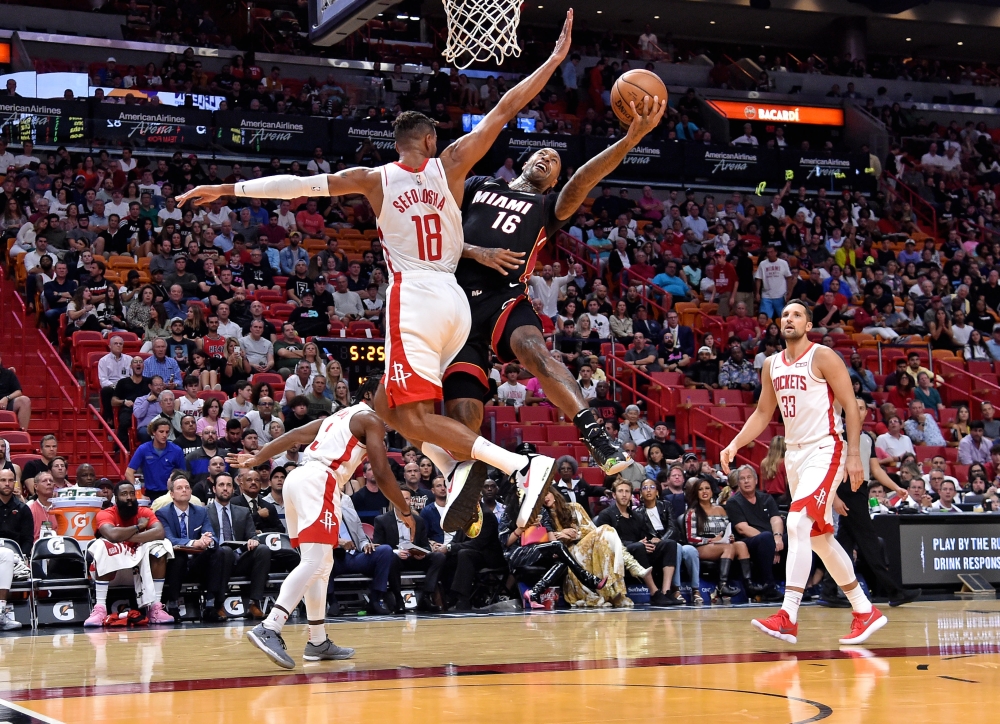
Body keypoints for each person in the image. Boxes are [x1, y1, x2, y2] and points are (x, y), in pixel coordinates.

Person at [179, 13, 579, 540]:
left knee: (411, 419)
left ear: (399, 143)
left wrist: (231, 190)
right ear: (432, 142)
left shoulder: (373, 179)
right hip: (456, 303)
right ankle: (456, 472)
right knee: (387, 409)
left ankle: (517, 467)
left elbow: (295, 185)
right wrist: (551, 61)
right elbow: (505, 109)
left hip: (414, 295)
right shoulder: (452, 164)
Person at [444, 93, 667, 489]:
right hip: (454, 305)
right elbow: (434, 232)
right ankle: (467, 482)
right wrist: (477, 251)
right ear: (526, 162)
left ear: (553, 181)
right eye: (542, 154)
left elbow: (584, 178)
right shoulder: (479, 185)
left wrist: (630, 140)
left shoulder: (547, 207)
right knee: (464, 411)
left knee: (536, 350)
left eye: (556, 162)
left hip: (505, 298)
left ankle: (595, 435)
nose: (548, 159)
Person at [721, 299, 887, 646]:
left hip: (826, 448)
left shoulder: (823, 356)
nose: (789, 319)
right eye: (784, 315)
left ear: (808, 324)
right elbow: (763, 413)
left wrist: (854, 455)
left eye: (796, 315)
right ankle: (864, 610)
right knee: (818, 539)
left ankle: (788, 615)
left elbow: (852, 410)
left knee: (796, 523)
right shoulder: (771, 365)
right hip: (794, 457)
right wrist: (734, 444)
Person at [226, 376, 414, 669]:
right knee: (315, 562)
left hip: (297, 479)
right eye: (388, 396)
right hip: (319, 480)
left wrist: (257, 458)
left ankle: (317, 641)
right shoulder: (370, 419)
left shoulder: (340, 416)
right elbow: (381, 470)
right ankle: (271, 626)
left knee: (321, 563)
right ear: (368, 395)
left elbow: (296, 435)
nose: (392, 404)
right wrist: (404, 510)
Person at [819, 397, 921, 607]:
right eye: (854, 408)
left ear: (866, 413)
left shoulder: (867, 439)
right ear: (846, 412)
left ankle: (828, 591)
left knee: (845, 545)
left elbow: (875, 470)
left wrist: (896, 487)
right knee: (870, 544)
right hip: (847, 491)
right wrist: (835, 497)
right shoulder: (840, 437)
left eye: (862, 408)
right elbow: (830, 471)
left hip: (860, 491)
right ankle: (893, 591)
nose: (859, 411)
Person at [83, 480, 175, 626]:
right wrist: (138, 527)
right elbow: (112, 535)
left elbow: (160, 532)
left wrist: (126, 536)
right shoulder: (105, 514)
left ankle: (155, 608)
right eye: (124, 494)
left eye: (132, 493)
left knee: (162, 545)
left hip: (140, 569)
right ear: (116, 498)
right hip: (112, 570)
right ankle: (100, 609)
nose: (129, 498)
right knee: (101, 544)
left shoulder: (144, 512)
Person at [156, 475, 230, 621]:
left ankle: (210, 605)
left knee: (218, 552)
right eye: (179, 488)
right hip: (175, 563)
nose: (184, 490)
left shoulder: (201, 511)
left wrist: (208, 541)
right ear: (171, 494)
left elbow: (212, 535)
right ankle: (173, 606)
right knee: (179, 557)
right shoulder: (162, 513)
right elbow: (169, 539)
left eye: (187, 487)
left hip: (197, 562)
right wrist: (194, 542)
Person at [595, 478, 679, 606]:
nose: (624, 495)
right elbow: (605, 542)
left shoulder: (636, 516)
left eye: (627, 492)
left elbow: (644, 537)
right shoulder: (606, 515)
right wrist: (637, 544)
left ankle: (666, 591)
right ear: (614, 495)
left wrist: (649, 543)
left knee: (669, 544)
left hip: (639, 552)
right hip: (618, 555)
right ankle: (654, 593)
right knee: (639, 547)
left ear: (631, 495)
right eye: (620, 491)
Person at [373, 487, 446, 613]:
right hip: (396, 559)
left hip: (414, 557)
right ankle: (398, 600)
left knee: (439, 557)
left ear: (411, 501)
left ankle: (426, 597)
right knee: (390, 558)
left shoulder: (418, 520)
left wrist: (422, 552)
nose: (403, 501)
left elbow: (425, 545)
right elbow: (378, 546)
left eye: (406, 498)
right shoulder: (382, 520)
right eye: (400, 498)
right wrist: (396, 552)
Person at [684, 478, 754, 601]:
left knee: (741, 545)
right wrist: (710, 540)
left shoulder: (721, 509)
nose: (704, 491)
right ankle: (722, 586)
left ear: (712, 491)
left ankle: (748, 585)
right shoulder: (692, 512)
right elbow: (691, 538)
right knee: (728, 547)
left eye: (707, 488)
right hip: (701, 547)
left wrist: (730, 536)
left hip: (722, 544)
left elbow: (727, 529)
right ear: (696, 493)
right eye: (700, 489)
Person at [124, 419, 187, 500]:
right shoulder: (143, 449)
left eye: (167, 432)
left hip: (170, 493)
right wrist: (136, 493)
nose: (164, 435)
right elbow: (129, 472)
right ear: (153, 432)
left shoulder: (176, 450)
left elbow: (183, 473)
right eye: (161, 432)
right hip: (150, 493)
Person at [0, 468, 30, 629]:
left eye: (10, 480)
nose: (7, 484)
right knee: (5, 553)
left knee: (8, 555)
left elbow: (27, 539)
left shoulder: (23, 508)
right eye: (3, 480)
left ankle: (0, 613)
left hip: (15, 559)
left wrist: (24, 557)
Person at [0, 356, 30, 432]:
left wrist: (7, 398)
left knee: (25, 400)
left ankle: (22, 434)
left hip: (6, 404)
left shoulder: (8, 374)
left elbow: (18, 391)